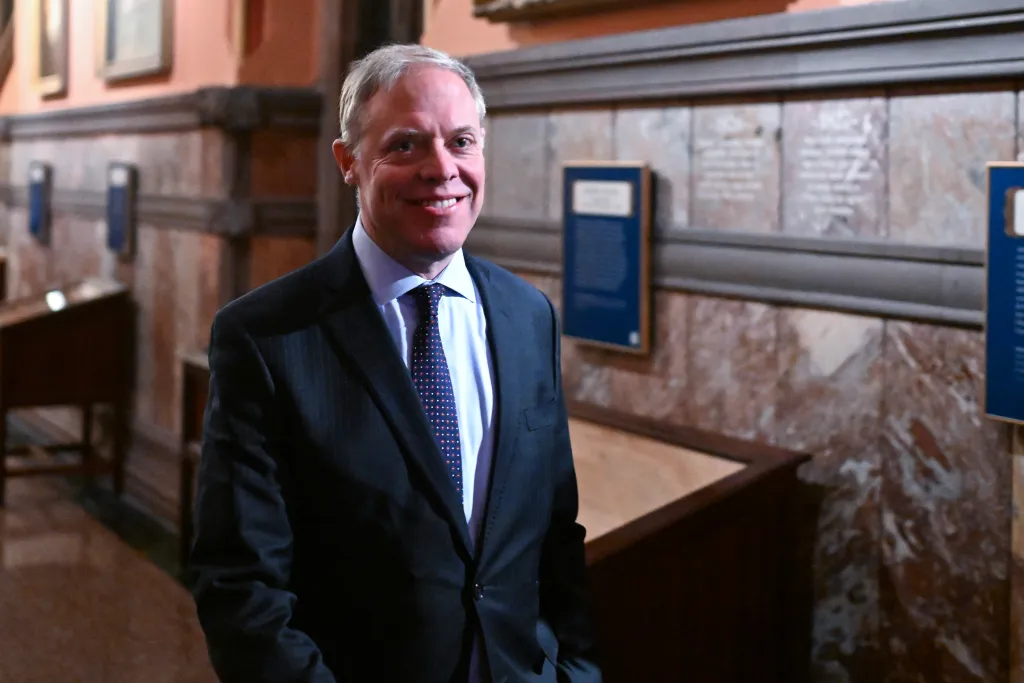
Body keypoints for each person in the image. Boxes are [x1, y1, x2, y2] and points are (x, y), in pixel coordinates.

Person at [188, 43, 603, 683]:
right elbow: (241, 583)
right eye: (406, 145)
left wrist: (576, 671)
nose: (442, 169)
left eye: (461, 141)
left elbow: (554, 533)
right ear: (348, 161)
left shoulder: (528, 317)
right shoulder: (266, 337)